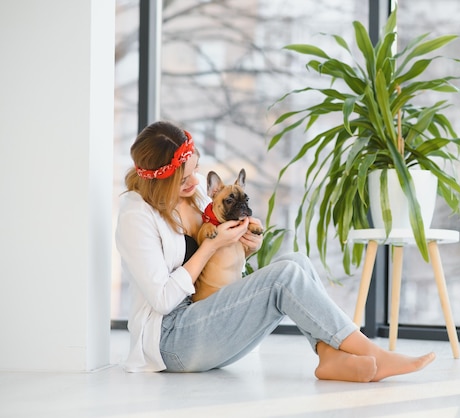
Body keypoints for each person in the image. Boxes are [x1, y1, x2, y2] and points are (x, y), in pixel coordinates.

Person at [115, 120, 436, 382]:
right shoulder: (136, 216)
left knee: (295, 261)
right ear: (161, 180)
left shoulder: (196, 196)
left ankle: (328, 357)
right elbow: (162, 299)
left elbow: (213, 263)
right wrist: (213, 244)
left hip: (207, 315)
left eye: (196, 170)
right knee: (283, 277)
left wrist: (242, 247)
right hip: (172, 340)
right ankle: (371, 352)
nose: (196, 181)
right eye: (185, 179)